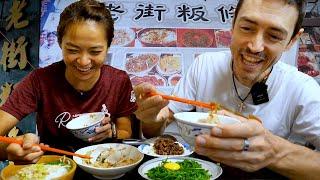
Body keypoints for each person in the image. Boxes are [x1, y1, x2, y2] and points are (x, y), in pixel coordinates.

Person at [134, 0, 320, 179]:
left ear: (292, 40)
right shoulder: (205, 65)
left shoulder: (302, 89)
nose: (255, 47)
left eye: (274, 36)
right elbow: (158, 126)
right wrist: (152, 119)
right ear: (233, 24)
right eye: (247, 28)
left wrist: (274, 153)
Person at [0, 0, 137, 164]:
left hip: (107, 168)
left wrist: (111, 132)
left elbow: (126, 131)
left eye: (95, 51)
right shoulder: (40, 81)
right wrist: (8, 150)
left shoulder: (118, 81)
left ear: (108, 46)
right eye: (73, 50)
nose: (84, 61)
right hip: (56, 169)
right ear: (60, 43)